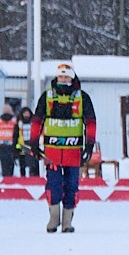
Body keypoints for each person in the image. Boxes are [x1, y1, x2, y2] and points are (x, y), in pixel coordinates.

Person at [30, 62, 94, 233]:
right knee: (54, 185)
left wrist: (89, 144)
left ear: (72, 78)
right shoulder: (47, 96)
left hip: (74, 152)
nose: (63, 79)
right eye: (60, 76)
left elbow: (91, 122)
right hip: (52, 152)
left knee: (72, 186)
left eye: (66, 77)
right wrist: (34, 142)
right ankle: (53, 218)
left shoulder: (83, 98)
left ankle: (67, 222)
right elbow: (37, 120)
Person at [0, 97, 20, 178]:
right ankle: (9, 178)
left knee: (4, 164)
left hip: (2, 145)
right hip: (12, 145)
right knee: (11, 164)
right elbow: (17, 133)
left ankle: (5, 177)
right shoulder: (14, 120)